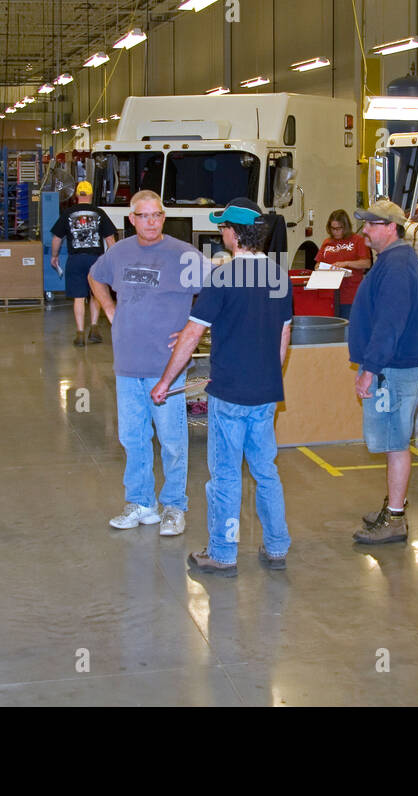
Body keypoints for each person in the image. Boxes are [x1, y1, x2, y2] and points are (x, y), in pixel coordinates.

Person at [150, 198, 294, 577]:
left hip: (229, 393)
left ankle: (222, 551)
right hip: (266, 392)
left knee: (226, 475)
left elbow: (192, 334)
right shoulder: (279, 277)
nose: (221, 234)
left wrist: (165, 381)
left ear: (233, 233)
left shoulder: (223, 277)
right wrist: (266, 376)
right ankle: (277, 545)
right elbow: (284, 336)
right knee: (265, 470)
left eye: (222, 228)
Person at [89, 190, 203, 536]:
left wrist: (189, 330)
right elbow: (96, 276)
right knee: (132, 437)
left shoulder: (183, 255)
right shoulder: (119, 253)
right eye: (144, 216)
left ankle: (173, 506)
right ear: (131, 219)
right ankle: (140, 503)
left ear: (163, 218)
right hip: (127, 365)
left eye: (157, 215)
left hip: (166, 368)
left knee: (171, 440)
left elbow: (217, 291)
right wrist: (110, 309)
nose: (151, 222)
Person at [347, 198, 418, 545]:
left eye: (371, 224)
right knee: (392, 442)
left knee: (396, 444)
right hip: (391, 368)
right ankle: (393, 504)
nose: (364, 230)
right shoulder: (393, 260)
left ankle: (395, 518)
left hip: (393, 370)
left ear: (391, 228)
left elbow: (389, 324)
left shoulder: (396, 266)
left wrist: (370, 369)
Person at [51, 181, 117, 346]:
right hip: (96, 259)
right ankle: (94, 329)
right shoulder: (99, 213)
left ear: (76, 196)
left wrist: (54, 256)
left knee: (79, 298)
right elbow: (110, 239)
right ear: (91, 194)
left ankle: (80, 334)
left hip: (75, 259)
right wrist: (114, 259)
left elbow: (56, 238)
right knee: (96, 295)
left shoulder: (67, 213)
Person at [315, 209, 372, 319]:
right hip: (329, 296)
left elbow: (366, 263)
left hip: (350, 295)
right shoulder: (327, 242)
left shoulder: (358, 241)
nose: (335, 232)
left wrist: (346, 263)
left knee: (347, 329)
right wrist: (321, 268)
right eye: (332, 228)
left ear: (345, 227)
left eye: (338, 228)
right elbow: (318, 264)